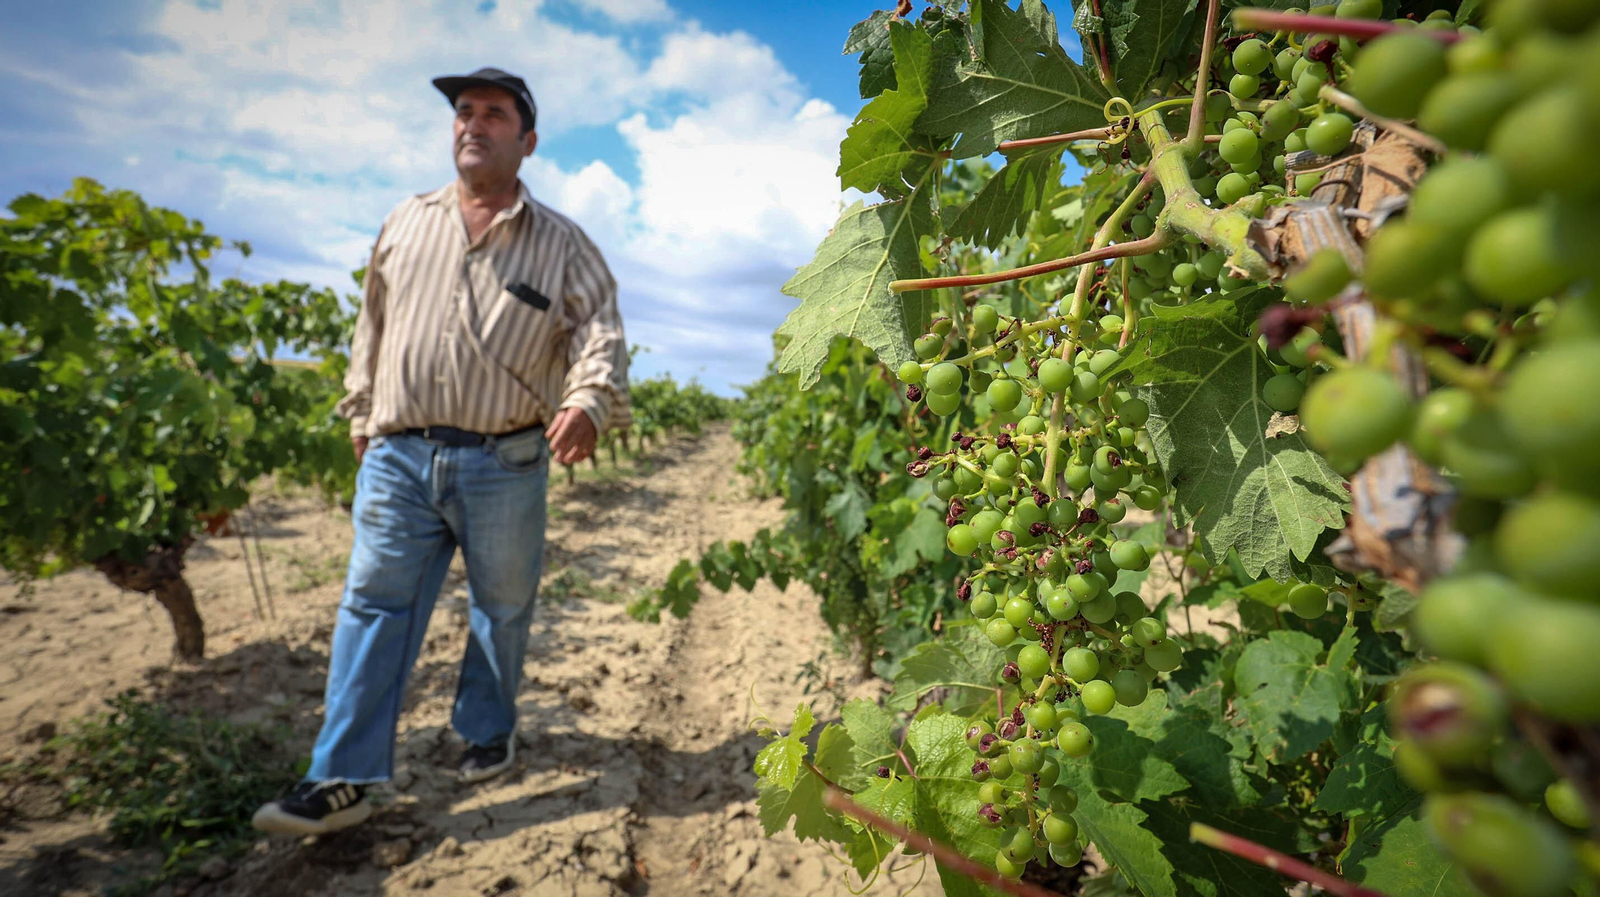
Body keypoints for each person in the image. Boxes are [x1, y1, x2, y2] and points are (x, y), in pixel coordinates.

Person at [252, 66, 629, 835]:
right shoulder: (405, 221)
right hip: (399, 455)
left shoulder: (563, 243)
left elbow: (602, 333)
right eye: (463, 111)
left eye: (493, 114)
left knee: (502, 607)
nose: (472, 124)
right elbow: (372, 327)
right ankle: (341, 775)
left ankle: (486, 728)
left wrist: (588, 400)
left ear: (526, 141)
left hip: (508, 460)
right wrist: (362, 413)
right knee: (372, 604)